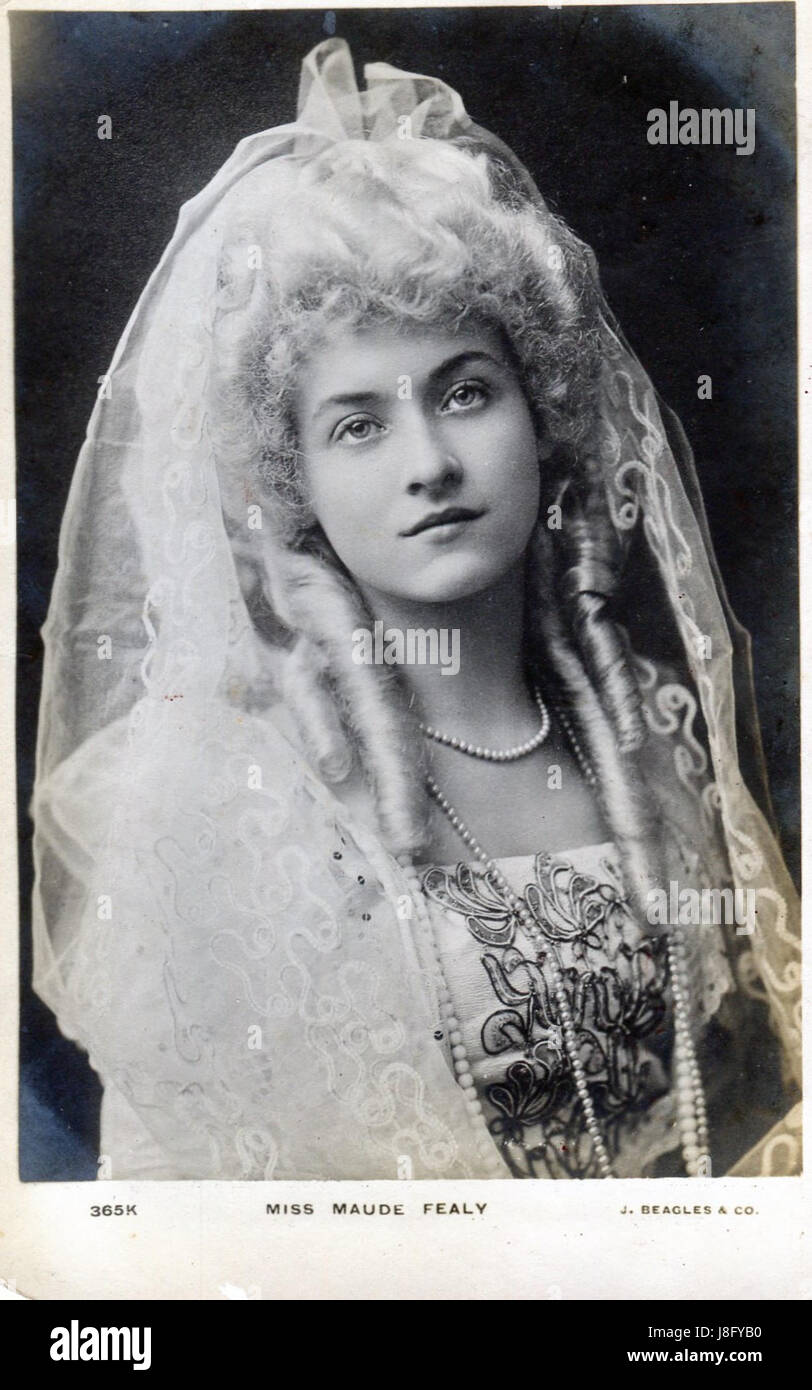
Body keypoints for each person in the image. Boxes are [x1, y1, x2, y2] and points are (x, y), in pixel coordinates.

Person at [30, 38, 800, 1181]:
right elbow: (186, 1232)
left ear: (538, 414)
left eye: (464, 391)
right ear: (287, 483)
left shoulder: (643, 734)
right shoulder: (219, 803)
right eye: (356, 423)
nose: (429, 461)